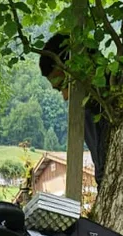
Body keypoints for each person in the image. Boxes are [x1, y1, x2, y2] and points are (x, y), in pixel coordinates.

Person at [38, 32, 110, 188]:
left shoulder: (109, 104)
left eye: (65, 84)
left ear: (81, 67)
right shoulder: (88, 112)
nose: (65, 96)